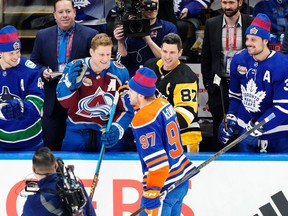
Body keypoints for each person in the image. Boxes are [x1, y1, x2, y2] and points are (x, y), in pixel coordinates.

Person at [30, 0, 98, 151]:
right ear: (54, 15)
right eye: (60, 12)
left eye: (68, 11)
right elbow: (34, 63)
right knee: (51, 150)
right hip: (52, 102)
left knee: (79, 152)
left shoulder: (90, 35)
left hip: (80, 102)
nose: (64, 15)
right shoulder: (42, 35)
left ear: (74, 12)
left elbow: (97, 65)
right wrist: (43, 72)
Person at [127, 67, 196, 215]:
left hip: (164, 186)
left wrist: (152, 191)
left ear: (140, 94)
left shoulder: (142, 120)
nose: (128, 93)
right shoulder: (163, 104)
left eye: (131, 91)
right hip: (181, 180)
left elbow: (159, 164)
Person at [218, 13, 288, 152]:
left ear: (265, 41)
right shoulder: (238, 59)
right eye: (247, 38)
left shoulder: (282, 65)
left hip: (278, 134)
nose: (248, 43)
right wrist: (231, 117)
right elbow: (235, 97)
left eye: (253, 40)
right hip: (246, 132)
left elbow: (283, 108)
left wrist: (259, 126)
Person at [56, 33, 133, 152]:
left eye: (108, 54)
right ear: (91, 52)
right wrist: (70, 86)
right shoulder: (75, 68)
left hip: (106, 133)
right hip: (76, 131)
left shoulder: (120, 72)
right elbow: (64, 103)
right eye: (101, 54)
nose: (105, 59)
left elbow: (127, 109)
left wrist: (118, 128)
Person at [201, 0, 253, 151]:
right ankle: (219, 162)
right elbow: (206, 56)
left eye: (231, 2)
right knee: (219, 125)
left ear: (240, 2)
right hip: (219, 83)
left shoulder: (250, 22)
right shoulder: (212, 23)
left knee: (244, 124)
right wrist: (208, 84)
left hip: (244, 83)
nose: (227, 6)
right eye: (224, 2)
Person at [144, 33, 202, 152]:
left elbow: (185, 116)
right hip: (158, 131)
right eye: (165, 51)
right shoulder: (150, 65)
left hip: (184, 136)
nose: (167, 57)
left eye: (172, 52)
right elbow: (134, 91)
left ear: (180, 53)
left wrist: (154, 125)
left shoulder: (186, 77)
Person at [0, 25, 44, 151]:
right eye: (11, 53)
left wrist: (21, 106)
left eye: (18, 52)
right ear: (1, 52)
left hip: (30, 140)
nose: (16, 57)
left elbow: (38, 101)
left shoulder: (30, 69)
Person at [22, 147, 96, 215]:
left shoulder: (32, 203)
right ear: (56, 165)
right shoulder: (75, 186)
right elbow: (91, 213)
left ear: (33, 169)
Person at [113, 0, 177, 77]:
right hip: (132, 76)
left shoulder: (168, 28)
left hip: (157, 75)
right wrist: (120, 41)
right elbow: (121, 63)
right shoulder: (128, 27)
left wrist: (148, 40)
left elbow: (167, 58)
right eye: (148, 4)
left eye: (156, 4)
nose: (153, 8)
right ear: (140, 7)